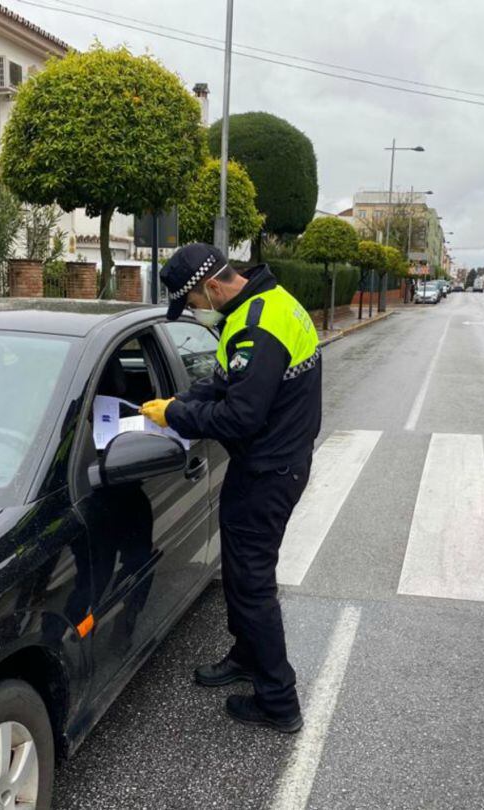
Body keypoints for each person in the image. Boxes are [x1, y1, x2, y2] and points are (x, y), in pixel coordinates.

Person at [140, 243, 321, 732]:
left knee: (251, 585)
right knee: (244, 578)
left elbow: (241, 415)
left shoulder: (257, 326)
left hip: (269, 472)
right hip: (271, 464)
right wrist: (179, 398)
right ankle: (247, 656)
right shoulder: (266, 304)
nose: (196, 310)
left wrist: (174, 415)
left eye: (194, 301)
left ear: (212, 286)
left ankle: (278, 701)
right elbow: (225, 383)